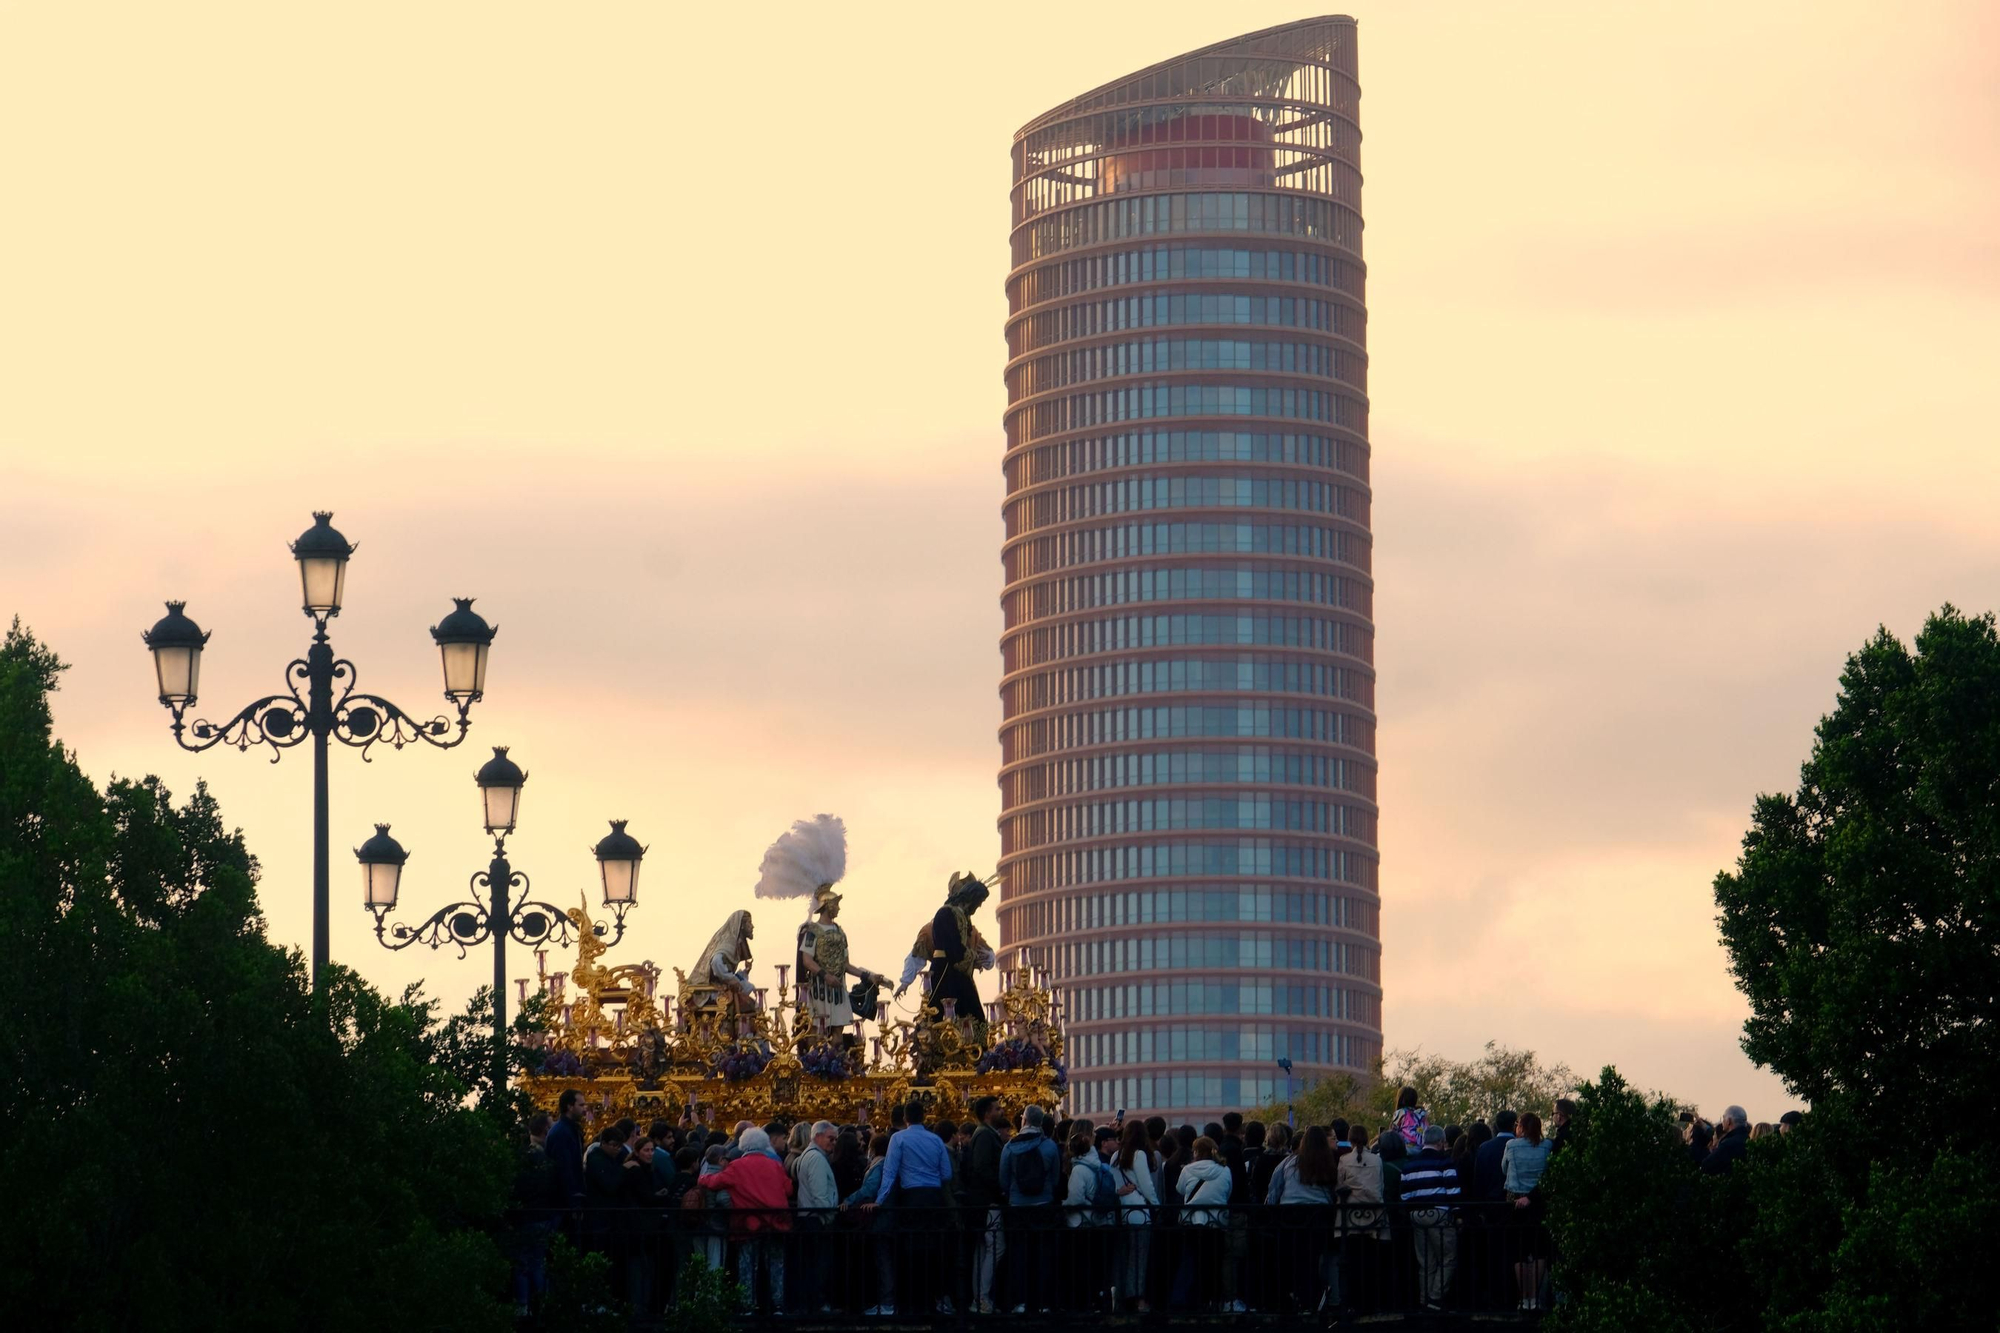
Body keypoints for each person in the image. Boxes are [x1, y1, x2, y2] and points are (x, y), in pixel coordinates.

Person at [699, 1126, 795, 1314]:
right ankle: (778, 1305)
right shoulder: (775, 1165)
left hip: (748, 1224)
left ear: (744, 1145)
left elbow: (715, 1182)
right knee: (776, 1265)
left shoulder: (736, 1166)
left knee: (748, 1266)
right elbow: (789, 1190)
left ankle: (747, 1305)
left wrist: (702, 1178)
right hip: (776, 1222)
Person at [877, 1100, 955, 1316]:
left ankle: (910, 1300)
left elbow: (890, 1172)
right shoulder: (936, 1140)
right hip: (933, 1198)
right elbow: (947, 1174)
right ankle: (934, 1299)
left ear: (905, 1118)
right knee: (934, 1249)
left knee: (910, 1250)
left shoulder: (898, 1138)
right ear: (925, 1116)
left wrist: (880, 1200)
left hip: (910, 1198)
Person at [1000, 1105, 1064, 1313]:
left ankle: (1020, 1301)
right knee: (1043, 1255)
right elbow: (1055, 1178)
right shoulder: (1049, 1146)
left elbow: (1003, 1179)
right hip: (1043, 1205)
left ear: (1024, 1120)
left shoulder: (1009, 1146)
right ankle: (1044, 1302)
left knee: (1019, 1255)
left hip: (1017, 1206)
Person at [1267, 1124, 1336, 1312]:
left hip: (1291, 1216)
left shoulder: (1289, 1163)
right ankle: (1313, 1297)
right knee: (1312, 1260)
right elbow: (1332, 1192)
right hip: (1318, 1216)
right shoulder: (1328, 1163)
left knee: (1292, 1260)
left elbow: (1274, 1191)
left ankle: (1296, 1299)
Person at [1401, 1125, 1463, 1310]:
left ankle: (1424, 1299)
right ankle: (1435, 1298)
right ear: (1440, 1142)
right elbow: (1453, 1191)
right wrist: (1458, 1215)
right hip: (1439, 1215)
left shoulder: (1409, 1165)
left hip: (1416, 1215)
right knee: (1449, 1257)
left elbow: (1404, 1196)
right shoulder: (1445, 1162)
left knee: (1425, 1262)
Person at [1171, 1136, 1231, 1309]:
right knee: (1213, 1262)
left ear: (1196, 1152)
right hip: (1216, 1221)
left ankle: (1186, 1300)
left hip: (1192, 1220)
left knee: (1190, 1260)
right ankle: (1212, 1300)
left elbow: (1180, 1189)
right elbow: (1227, 1192)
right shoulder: (1225, 1170)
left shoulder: (1188, 1170)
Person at [1503, 1113, 1553, 1311]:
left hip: (1516, 1200)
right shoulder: (1546, 1146)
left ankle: (1524, 1298)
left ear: (1521, 1127)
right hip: (1538, 1202)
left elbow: (1504, 1168)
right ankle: (1535, 1298)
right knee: (1539, 1251)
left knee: (1520, 1253)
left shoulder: (1511, 1146)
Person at [963, 1097, 1007, 1313]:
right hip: (988, 1201)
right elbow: (982, 1168)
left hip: (984, 1200)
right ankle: (981, 1297)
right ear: (988, 1113)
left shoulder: (986, 1134)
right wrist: (1000, 1188)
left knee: (983, 1249)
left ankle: (980, 1298)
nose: (1002, 1111)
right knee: (996, 1247)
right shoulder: (985, 1135)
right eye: (998, 1109)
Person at [844, 1133, 896, 1315]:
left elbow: (869, 1188)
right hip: (884, 1218)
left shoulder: (879, 1166)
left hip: (881, 1220)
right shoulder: (885, 1165)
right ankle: (886, 1301)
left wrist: (848, 1200)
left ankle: (887, 1303)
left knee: (883, 1260)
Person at [792, 1121, 840, 1314]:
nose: (834, 1143)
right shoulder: (817, 1159)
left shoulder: (810, 1156)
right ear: (817, 1136)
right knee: (818, 1265)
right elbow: (820, 1195)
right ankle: (817, 1304)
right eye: (831, 1138)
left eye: (835, 1139)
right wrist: (828, 1216)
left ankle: (813, 1303)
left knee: (813, 1264)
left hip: (810, 1218)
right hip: (817, 1220)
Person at [689, 910, 758, 1016]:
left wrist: (744, 973)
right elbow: (716, 962)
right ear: (742, 926)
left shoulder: (733, 944)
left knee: (751, 1006)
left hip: (722, 989)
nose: (752, 926)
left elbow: (727, 973)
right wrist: (731, 980)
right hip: (711, 992)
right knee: (748, 1007)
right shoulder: (727, 945)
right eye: (749, 923)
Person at [546, 1090, 588, 1214]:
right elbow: (564, 1168)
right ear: (570, 1107)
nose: (584, 1109)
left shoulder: (570, 1129)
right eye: (581, 1105)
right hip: (564, 1201)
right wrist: (573, 1199)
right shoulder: (562, 1133)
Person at [1703, 1106, 1752, 1175]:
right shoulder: (1750, 1141)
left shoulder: (1727, 1145)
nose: (1722, 1121)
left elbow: (1706, 1165)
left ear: (1729, 1121)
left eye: (1723, 1118)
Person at [1390, 1086, 1430, 1151]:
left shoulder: (1400, 1113)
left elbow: (1393, 1133)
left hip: (1407, 1149)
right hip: (1423, 1148)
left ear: (1401, 1099)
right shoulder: (1422, 1114)